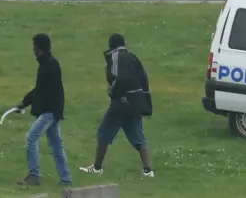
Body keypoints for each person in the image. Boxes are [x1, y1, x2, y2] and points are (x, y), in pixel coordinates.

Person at [79, 33, 154, 178]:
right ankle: (148, 170)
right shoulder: (132, 57)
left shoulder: (115, 56)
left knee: (103, 133)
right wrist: (144, 101)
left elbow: (121, 78)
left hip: (121, 103)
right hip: (136, 103)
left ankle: (97, 167)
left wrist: (113, 92)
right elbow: (144, 79)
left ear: (111, 45)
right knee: (138, 137)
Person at [15, 34, 71, 187]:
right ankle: (65, 178)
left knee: (31, 138)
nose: (33, 49)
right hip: (52, 111)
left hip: (49, 112)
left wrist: (25, 103)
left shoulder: (50, 65)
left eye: (34, 46)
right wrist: (24, 103)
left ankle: (34, 175)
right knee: (56, 145)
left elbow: (43, 91)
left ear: (39, 48)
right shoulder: (48, 64)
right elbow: (41, 90)